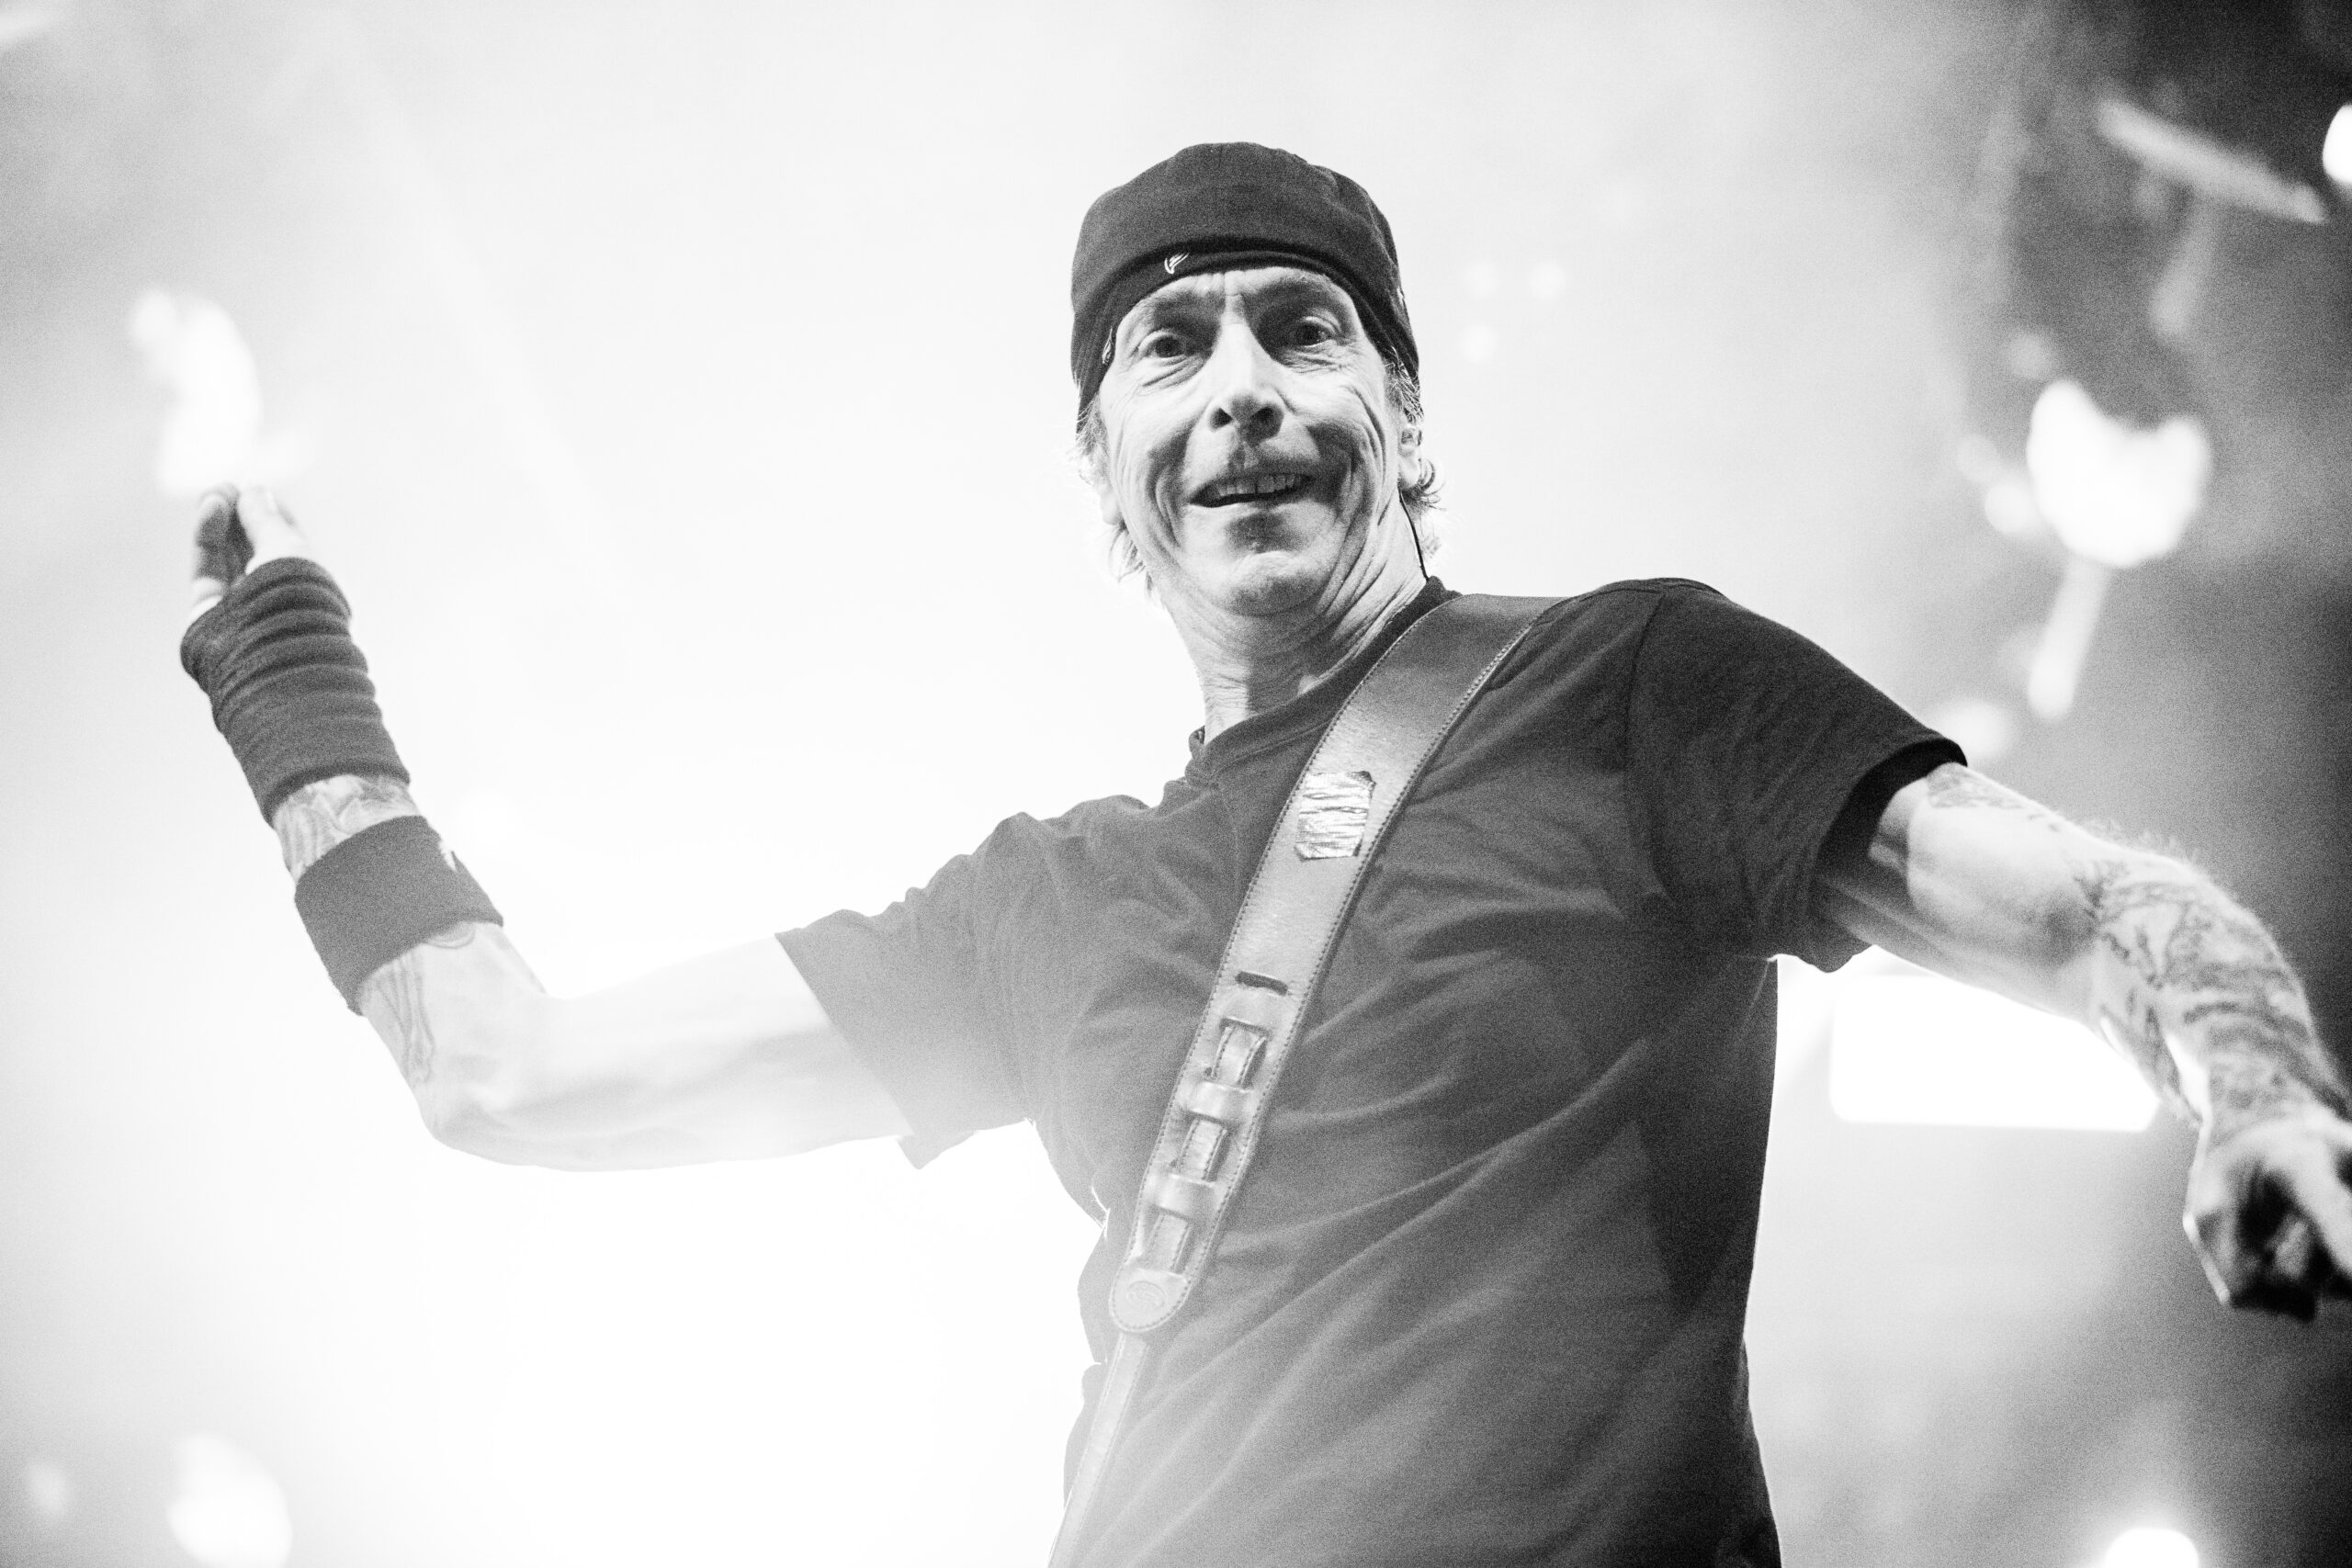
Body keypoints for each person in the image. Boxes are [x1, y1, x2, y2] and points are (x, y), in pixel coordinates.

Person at [180, 142, 2352, 1567]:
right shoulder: (1040, 905)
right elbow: (503, 1071)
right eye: (1170, 344)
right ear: (1104, 473)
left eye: (1301, 331)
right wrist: (291, 680)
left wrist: (2251, 1083)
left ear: (1400, 422)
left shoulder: (1624, 689)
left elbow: (2091, 906)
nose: (1236, 385)